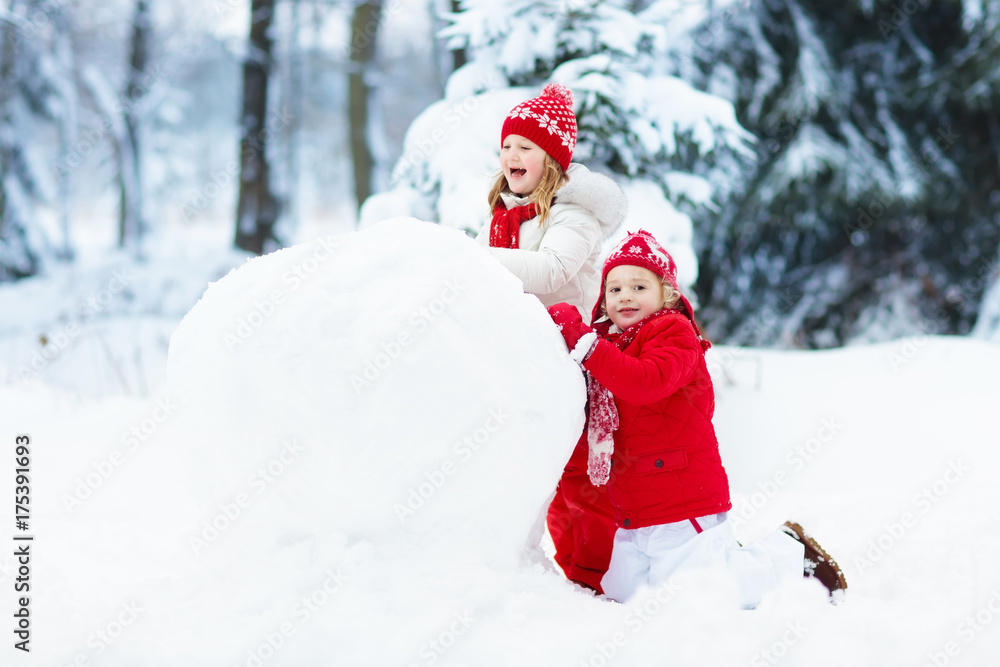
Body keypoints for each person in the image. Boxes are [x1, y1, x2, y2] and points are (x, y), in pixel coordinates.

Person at [547, 230, 848, 606]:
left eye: (639, 286)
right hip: (634, 507)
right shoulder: (611, 346)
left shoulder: (673, 332)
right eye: (615, 288)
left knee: (698, 594)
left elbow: (644, 381)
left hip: (679, 494)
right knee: (624, 592)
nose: (625, 296)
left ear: (666, 294)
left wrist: (583, 342)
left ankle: (789, 558)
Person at [475, 83, 625, 593]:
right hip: (521, 360)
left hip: (569, 362)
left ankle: (599, 577)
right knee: (527, 472)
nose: (512, 155)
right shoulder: (504, 217)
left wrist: (470, 259)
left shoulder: (573, 215)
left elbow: (551, 270)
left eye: (526, 147)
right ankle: (527, 569)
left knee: (577, 483)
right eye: (507, 145)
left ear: (553, 161)